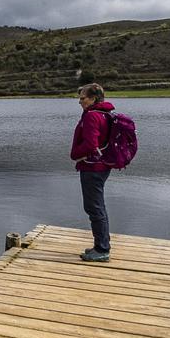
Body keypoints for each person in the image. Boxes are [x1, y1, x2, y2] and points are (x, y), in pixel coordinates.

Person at [71, 83, 114, 262]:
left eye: (83, 98)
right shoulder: (104, 114)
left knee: (94, 207)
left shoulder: (92, 116)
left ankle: (102, 249)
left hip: (92, 168)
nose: (80, 101)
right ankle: (101, 245)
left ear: (93, 99)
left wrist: (74, 154)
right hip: (100, 166)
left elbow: (90, 144)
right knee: (97, 206)